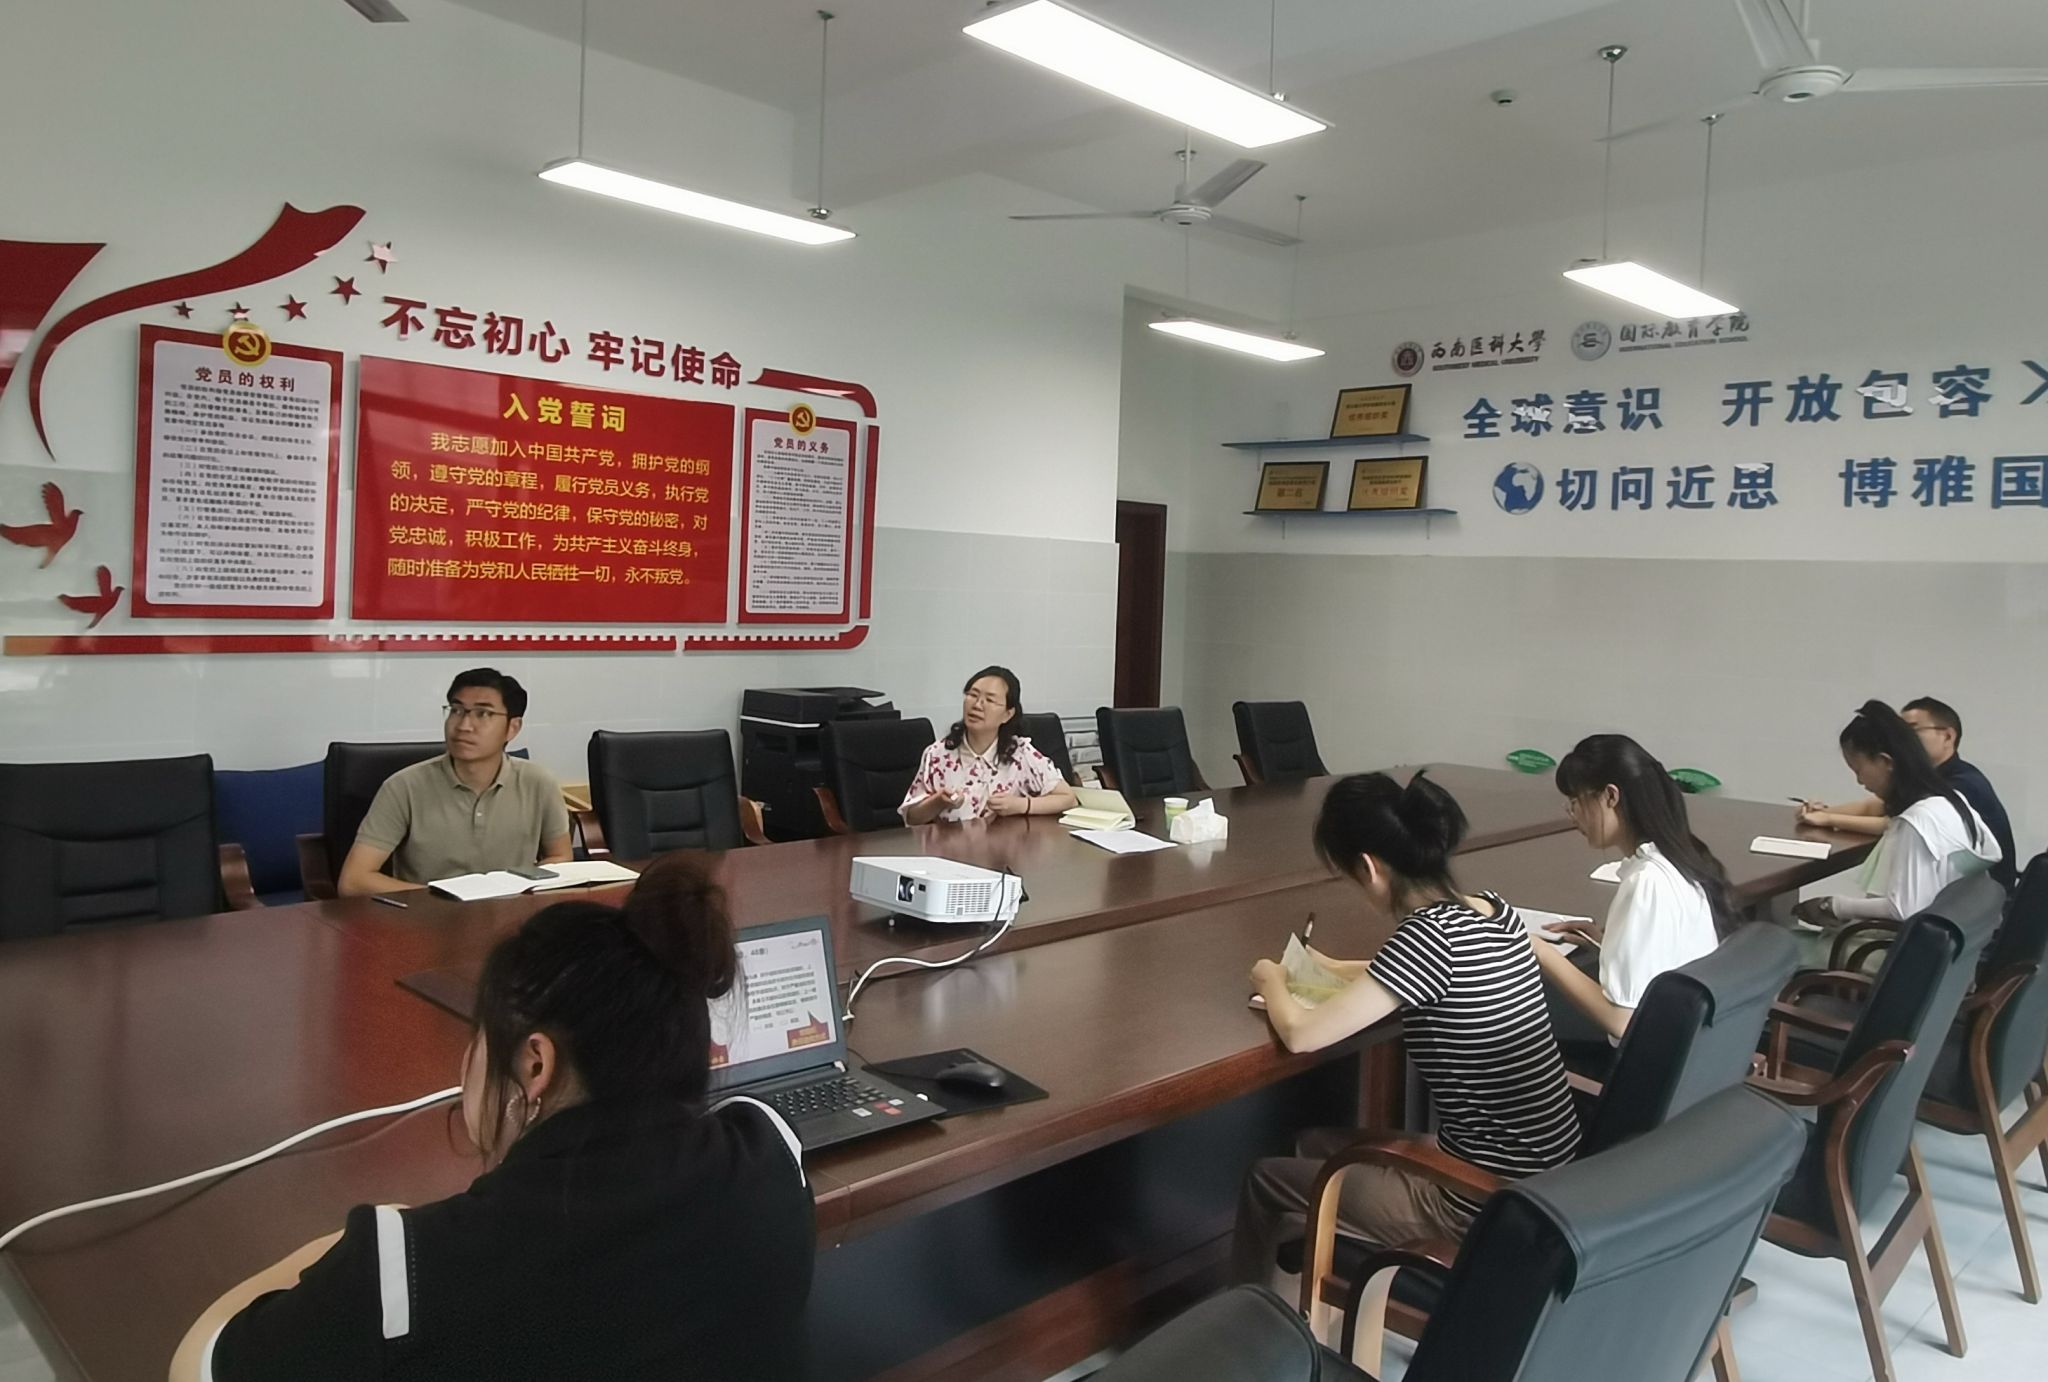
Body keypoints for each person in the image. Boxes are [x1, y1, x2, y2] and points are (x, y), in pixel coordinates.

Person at [170, 855, 815, 1382]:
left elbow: (200, 1364)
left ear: (535, 1063)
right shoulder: (772, 1157)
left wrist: (351, 1251)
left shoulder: (409, 1272)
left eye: (478, 1035)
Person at [1232, 772, 1580, 1286]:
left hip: (1480, 1200)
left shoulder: (1424, 939)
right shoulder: (1493, 910)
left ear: (1369, 867)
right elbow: (1411, 975)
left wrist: (1271, 978)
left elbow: (1302, 1035)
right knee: (1312, 1141)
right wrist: (1330, 966)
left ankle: (1256, 1315)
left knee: (1265, 1179)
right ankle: (1317, 1266)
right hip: (1547, 1178)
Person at [1532, 735, 1729, 1046]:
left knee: (1517, 1015)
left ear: (1611, 796)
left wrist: (1540, 951)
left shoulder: (1646, 882)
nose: (1572, 815)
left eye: (1576, 801)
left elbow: (1621, 1022)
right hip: (1685, 1043)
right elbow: (1667, 957)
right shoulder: (1679, 859)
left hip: (1644, 1055)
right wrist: (1607, 942)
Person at [338, 668, 572, 895]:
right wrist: (446, 899)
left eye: (483, 713)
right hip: (428, 913)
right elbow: (354, 881)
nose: (463, 726)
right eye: (457, 710)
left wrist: (516, 889)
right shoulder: (403, 787)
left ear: (513, 728)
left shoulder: (539, 782)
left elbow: (561, 857)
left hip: (512, 911)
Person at [1793, 699, 2002, 928]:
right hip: (1955, 936)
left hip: (1899, 943)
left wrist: (1834, 906)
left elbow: (1902, 908)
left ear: (1886, 762)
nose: (1859, 781)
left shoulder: (1917, 822)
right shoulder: (1950, 800)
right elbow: (1874, 807)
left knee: (1787, 943)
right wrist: (1826, 813)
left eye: (1858, 770)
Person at [899, 666, 1078, 824]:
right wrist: (939, 801)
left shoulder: (1020, 753)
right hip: (950, 848)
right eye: (972, 695)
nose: (977, 705)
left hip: (1004, 848)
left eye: (990, 700)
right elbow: (912, 818)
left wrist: (1021, 805)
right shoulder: (937, 754)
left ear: (1008, 714)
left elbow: (1068, 798)